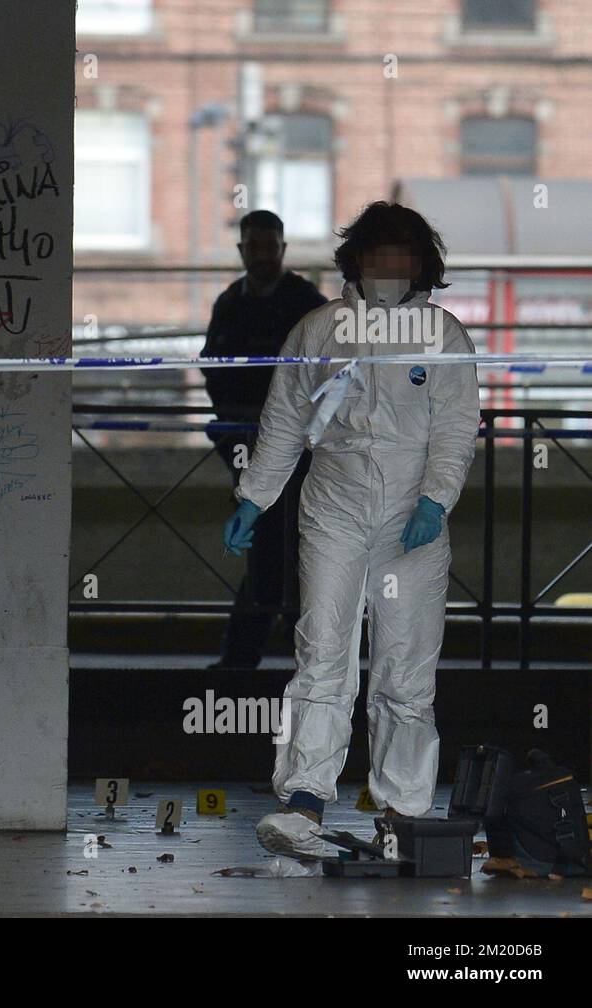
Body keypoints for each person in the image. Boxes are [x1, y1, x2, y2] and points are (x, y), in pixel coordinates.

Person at [222, 202, 480, 858]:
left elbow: (455, 428)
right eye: (379, 256)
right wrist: (255, 496)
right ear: (357, 262)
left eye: (404, 257)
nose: (391, 268)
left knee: (405, 666)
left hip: (411, 524)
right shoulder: (320, 330)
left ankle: (405, 816)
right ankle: (304, 801)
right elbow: (282, 421)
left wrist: (434, 501)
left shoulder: (443, 335)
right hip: (334, 510)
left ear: (422, 264)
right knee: (323, 651)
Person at [200, 210, 327, 670]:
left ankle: (246, 655)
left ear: (281, 250)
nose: (260, 256)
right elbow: (214, 368)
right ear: (242, 251)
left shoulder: (295, 302)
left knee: (279, 548)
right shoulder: (260, 302)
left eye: (267, 247)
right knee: (281, 547)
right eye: (254, 247)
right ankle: (301, 660)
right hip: (255, 441)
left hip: (291, 446)